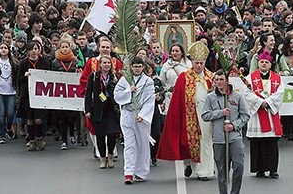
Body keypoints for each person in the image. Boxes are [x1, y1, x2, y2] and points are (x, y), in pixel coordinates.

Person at [157, 41, 215, 181]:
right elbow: (178, 99)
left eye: (201, 63)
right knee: (190, 142)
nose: (199, 66)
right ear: (192, 62)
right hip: (190, 114)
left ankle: (205, 170)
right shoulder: (184, 77)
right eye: (196, 63)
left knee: (206, 141)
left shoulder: (210, 77)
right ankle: (190, 164)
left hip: (206, 115)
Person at [201, 70, 251, 194]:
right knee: (222, 170)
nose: (218, 82)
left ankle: (235, 192)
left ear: (227, 80)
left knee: (238, 166)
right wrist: (220, 113)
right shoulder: (210, 97)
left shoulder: (237, 97)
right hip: (219, 139)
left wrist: (234, 126)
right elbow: (205, 115)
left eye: (221, 79)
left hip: (235, 138)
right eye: (216, 80)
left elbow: (245, 116)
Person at [114, 57, 155, 185]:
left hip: (141, 117)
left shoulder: (148, 81)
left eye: (139, 66)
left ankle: (141, 172)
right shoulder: (125, 80)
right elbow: (116, 95)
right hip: (127, 114)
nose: (137, 68)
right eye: (135, 66)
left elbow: (150, 100)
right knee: (129, 144)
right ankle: (129, 172)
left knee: (142, 144)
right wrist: (128, 91)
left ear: (143, 67)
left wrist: (143, 115)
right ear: (131, 67)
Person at [243, 53, 284, 179]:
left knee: (271, 143)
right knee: (257, 143)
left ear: (270, 64)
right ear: (258, 64)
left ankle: (273, 170)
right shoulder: (250, 78)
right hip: (257, 115)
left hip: (271, 115)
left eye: (266, 62)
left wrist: (268, 102)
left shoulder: (277, 78)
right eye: (262, 62)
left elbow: (280, 92)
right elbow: (247, 93)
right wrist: (261, 103)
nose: (264, 64)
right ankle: (259, 169)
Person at [85, 55, 121, 169]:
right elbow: (88, 94)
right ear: (100, 64)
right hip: (98, 109)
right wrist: (88, 110)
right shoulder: (94, 76)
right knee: (100, 135)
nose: (106, 65)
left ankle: (110, 156)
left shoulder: (114, 77)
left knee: (112, 134)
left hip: (111, 108)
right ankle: (102, 158)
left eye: (108, 63)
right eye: (104, 63)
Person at [16, 40, 52, 151]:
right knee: (30, 120)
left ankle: (40, 138)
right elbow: (18, 79)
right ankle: (31, 140)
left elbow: (50, 76)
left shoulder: (44, 62)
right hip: (27, 94)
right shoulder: (24, 63)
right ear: (28, 51)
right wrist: (25, 76)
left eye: (35, 49)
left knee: (38, 119)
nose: (33, 51)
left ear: (39, 50)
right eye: (31, 49)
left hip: (40, 94)